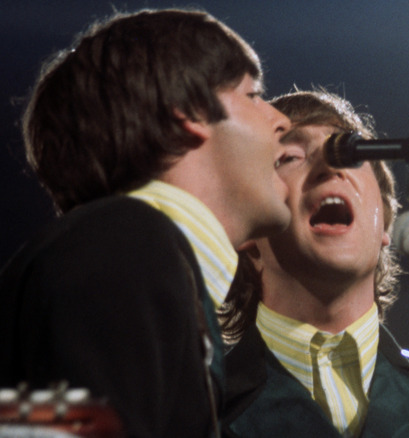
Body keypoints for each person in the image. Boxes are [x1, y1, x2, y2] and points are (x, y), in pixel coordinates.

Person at [0, 8, 292, 437]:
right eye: (252, 95)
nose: (280, 120)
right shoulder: (124, 246)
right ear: (189, 111)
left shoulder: (120, 251)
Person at [218, 89, 409, 437]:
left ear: (384, 221)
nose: (330, 166)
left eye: (350, 153)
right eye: (290, 157)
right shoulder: (186, 412)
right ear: (244, 226)